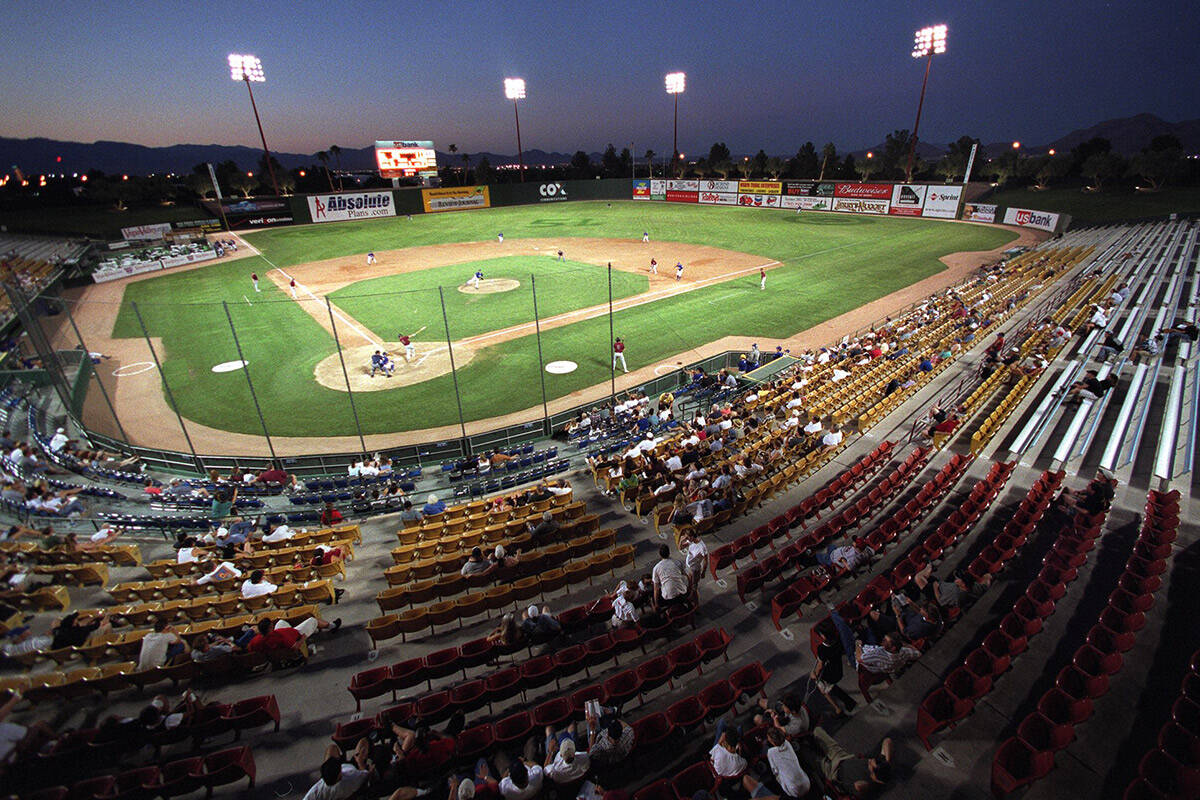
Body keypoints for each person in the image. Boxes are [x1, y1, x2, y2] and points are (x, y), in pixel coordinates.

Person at [811, 729, 893, 798]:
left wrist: (871, 782)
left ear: (874, 775)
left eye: (871, 764)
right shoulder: (881, 766)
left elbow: (859, 787)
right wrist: (886, 761)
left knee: (808, 754)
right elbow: (887, 741)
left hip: (833, 772)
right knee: (817, 731)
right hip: (843, 757)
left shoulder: (866, 785)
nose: (870, 760)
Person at [303, 741, 371, 800]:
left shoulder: (317, 791)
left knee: (332, 748)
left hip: (340, 775)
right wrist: (360, 762)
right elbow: (366, 773)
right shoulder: (353, 779)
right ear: (339, 773)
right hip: (354, 766)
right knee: (363, 742)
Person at [766, 727, 811, 798]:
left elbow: (775, 771)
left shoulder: (771, 752)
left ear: (771, 740)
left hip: (795, 791)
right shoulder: (787, 743)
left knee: (775, 777)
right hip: (807, 783)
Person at [651, 543, 690, 610]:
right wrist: (690, 588)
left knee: (653, 596)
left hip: (669, 598)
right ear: (669, 553)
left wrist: (656, 604)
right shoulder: (677, 562)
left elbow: (656, 589)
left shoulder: (656, 568)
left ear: (660, 555)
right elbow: (689, 575)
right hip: (683, 593)